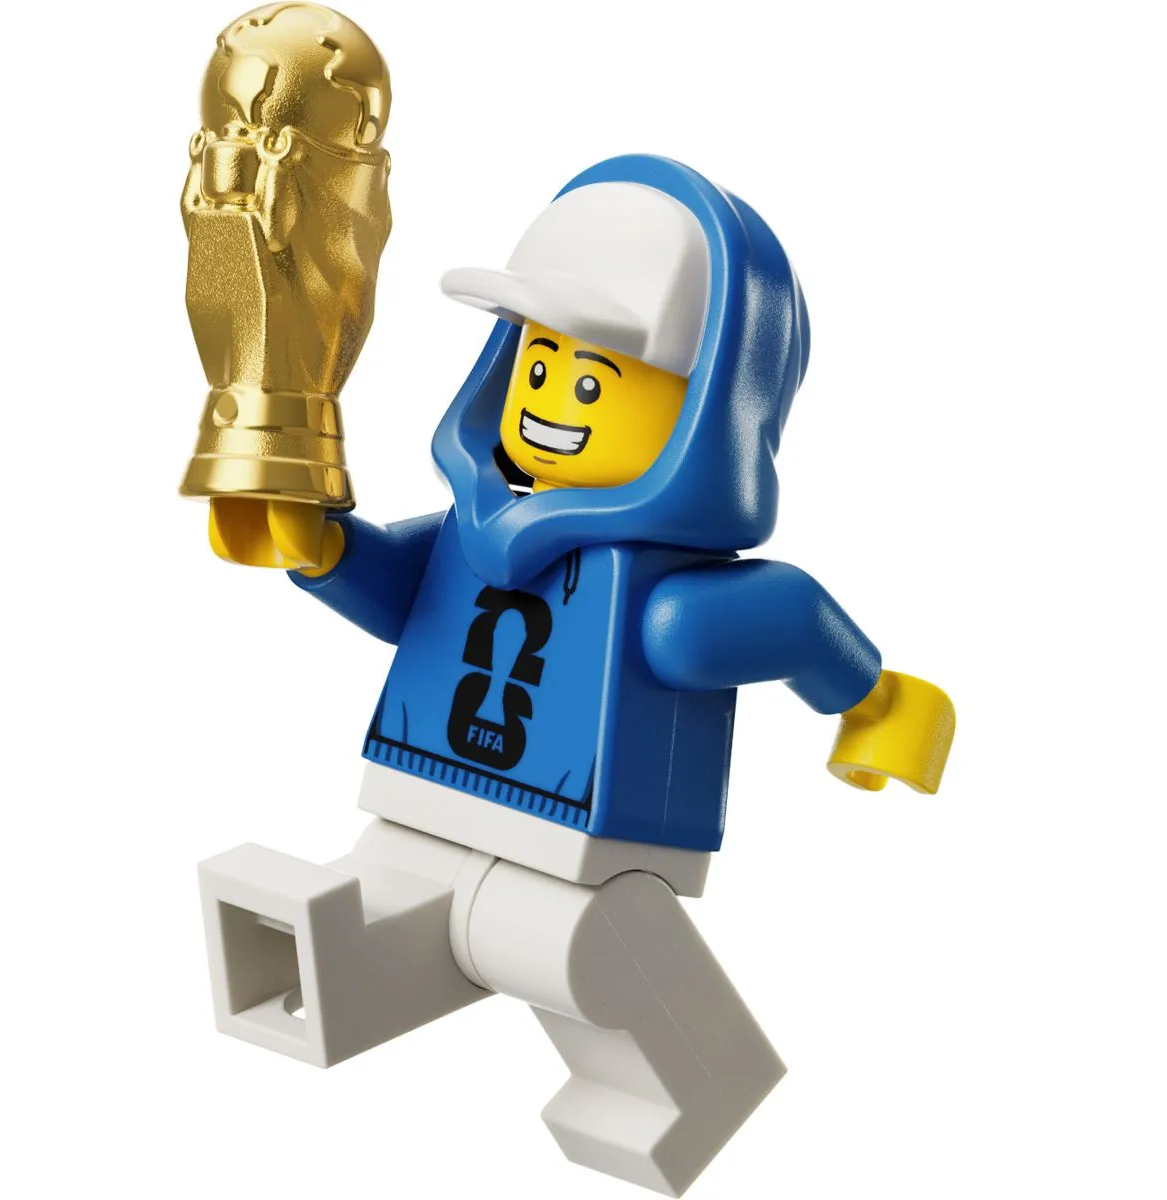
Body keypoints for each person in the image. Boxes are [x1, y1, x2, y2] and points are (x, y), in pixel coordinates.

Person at [199, 154, 954, 1196]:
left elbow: (791, 618)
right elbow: (409, 598)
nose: (550, 398)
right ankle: (332, 975)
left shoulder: (672, 594)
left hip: (588, 856)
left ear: (703, 412)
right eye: (539, 363)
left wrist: (876, 701)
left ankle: (685, 1090)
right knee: (391, 905)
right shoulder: (482, 526)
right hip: (423, 804)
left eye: (592, 379)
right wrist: (320, 549)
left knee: (575, 949)